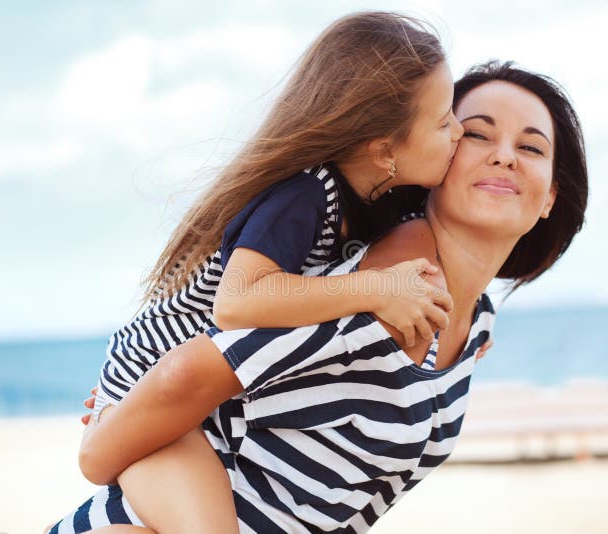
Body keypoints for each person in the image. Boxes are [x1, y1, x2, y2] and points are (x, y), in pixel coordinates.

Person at [46, 60, 588, 533]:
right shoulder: (382, 291)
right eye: (474, 133)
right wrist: (105, 439)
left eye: (531, 146)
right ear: (437, 156)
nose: (505, 156)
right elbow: (192, 368)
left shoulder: (473, 323)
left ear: (550, 198)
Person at [90, 10, 462, 430]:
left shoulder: (385, 198)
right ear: (383, 152)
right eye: (443, 120)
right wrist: (376, 288)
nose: (459, 131)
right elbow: (236, 302)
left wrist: (463, 333)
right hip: (150, 372)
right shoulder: (305, 194)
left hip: (198, 384)